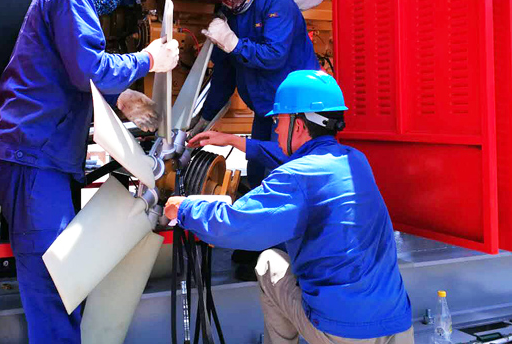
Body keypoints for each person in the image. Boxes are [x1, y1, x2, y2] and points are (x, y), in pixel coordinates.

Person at [0, 0, 179, 343]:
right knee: (55, 285)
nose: (115, 2)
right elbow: (88, 69)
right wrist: (148, 59)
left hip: (38, 158)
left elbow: (66, 74)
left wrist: (121, 97)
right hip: (32, 159)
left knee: (62, 280)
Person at [166, 70, 413, 344]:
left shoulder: (296, 177)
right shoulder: (356, 160)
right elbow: (298, 158)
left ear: (298, 126)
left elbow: (236, 225)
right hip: (397, 324)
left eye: (278, 120)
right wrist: (234, 141)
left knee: (268, 263)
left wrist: (185, 209)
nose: (275, 128)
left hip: (344, 331)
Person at [190, 0, 320, 189]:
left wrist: (234, 44)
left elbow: (274, 55)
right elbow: (224, 74)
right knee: (258, 178)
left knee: (282, 181)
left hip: (296, 113)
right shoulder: (228, 14)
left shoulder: (276, 1)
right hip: (265, 112)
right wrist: (204, 118)